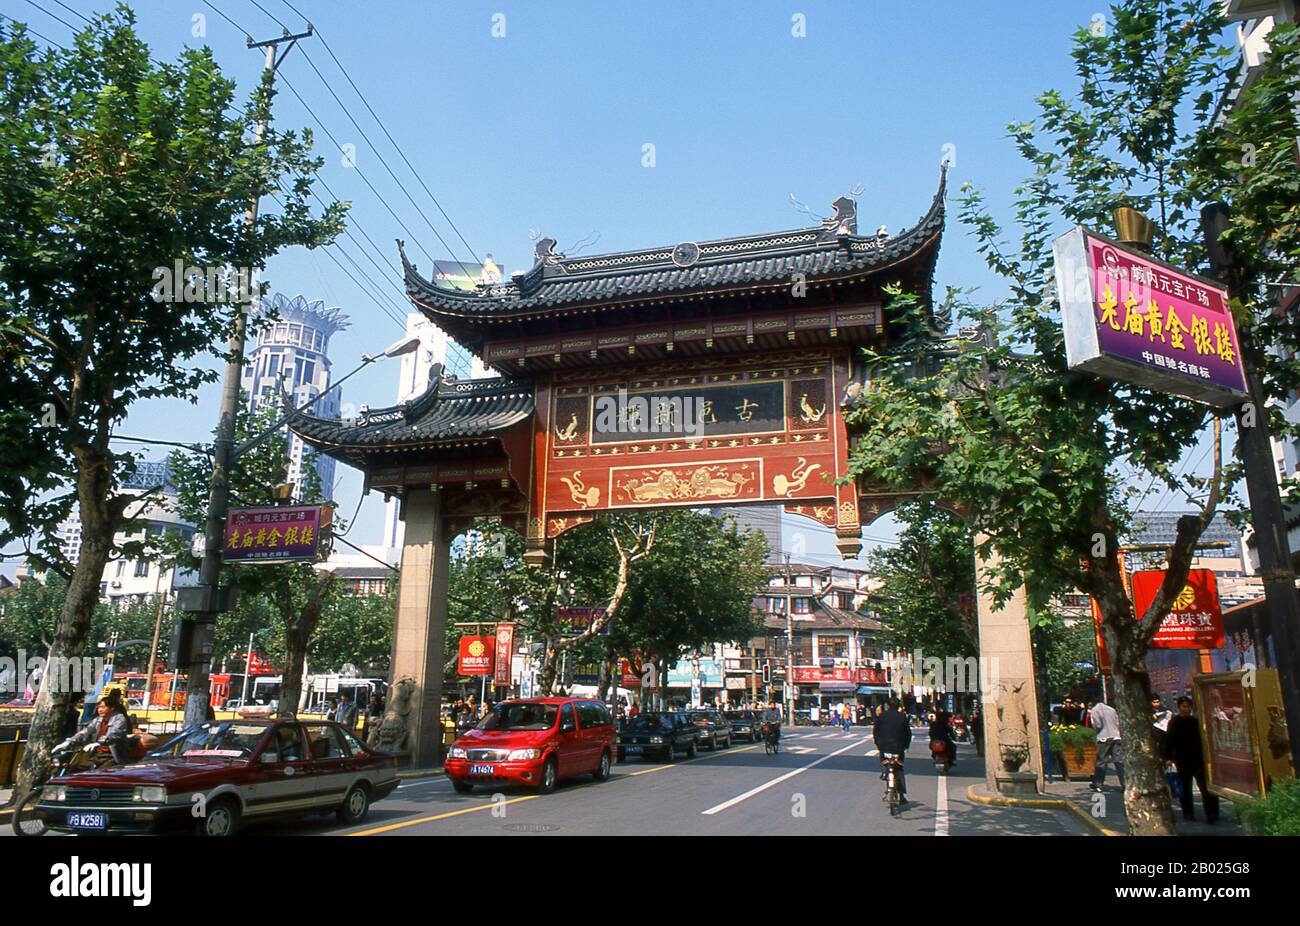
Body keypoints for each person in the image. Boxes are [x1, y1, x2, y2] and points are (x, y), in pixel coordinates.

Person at [1163, 696, 1219, 823]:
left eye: (1188, 706)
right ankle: (1188, 812)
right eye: (1184, 706)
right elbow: (1169, 741)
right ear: (1179, 708)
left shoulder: (1195, 722)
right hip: (1182, 760)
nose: (1186, 709)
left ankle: (1212, 814)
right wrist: (1168, 758)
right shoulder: (1174, 722)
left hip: (1198, 759)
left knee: (1206, 788)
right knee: (1185, 788)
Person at [56, 694, 132, 766]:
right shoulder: (98, 720)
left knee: (99, 775)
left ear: (112, 708)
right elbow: (85, 732)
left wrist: (99, 743)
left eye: (103, 707)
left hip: (112, 757)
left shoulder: (119, 718)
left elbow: (114, 734)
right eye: (98, 707)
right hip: (96, 755)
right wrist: (69, 742)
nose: (100, 710)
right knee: (74, 769)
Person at [872, 700, 912, 803]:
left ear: (888, 706)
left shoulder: (882, 716)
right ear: (899, 706)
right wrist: (906, 745)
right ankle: (902, 796)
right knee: (899, 769)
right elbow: (908, 733)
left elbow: (875, 731)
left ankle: (885, 771)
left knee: (885, 762)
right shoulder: (902, 716)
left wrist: (878, 744)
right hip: (898, 747)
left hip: (884, 746)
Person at [1089, 698, 1124, 792]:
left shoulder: (1095, 710)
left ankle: (1098, 784)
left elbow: (1098, 725)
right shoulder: (1112, 709)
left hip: (1103, 738)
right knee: (1119, 761)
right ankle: (1124, 784)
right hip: (1116, 736)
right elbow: (1118, 723)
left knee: (1101, 761)